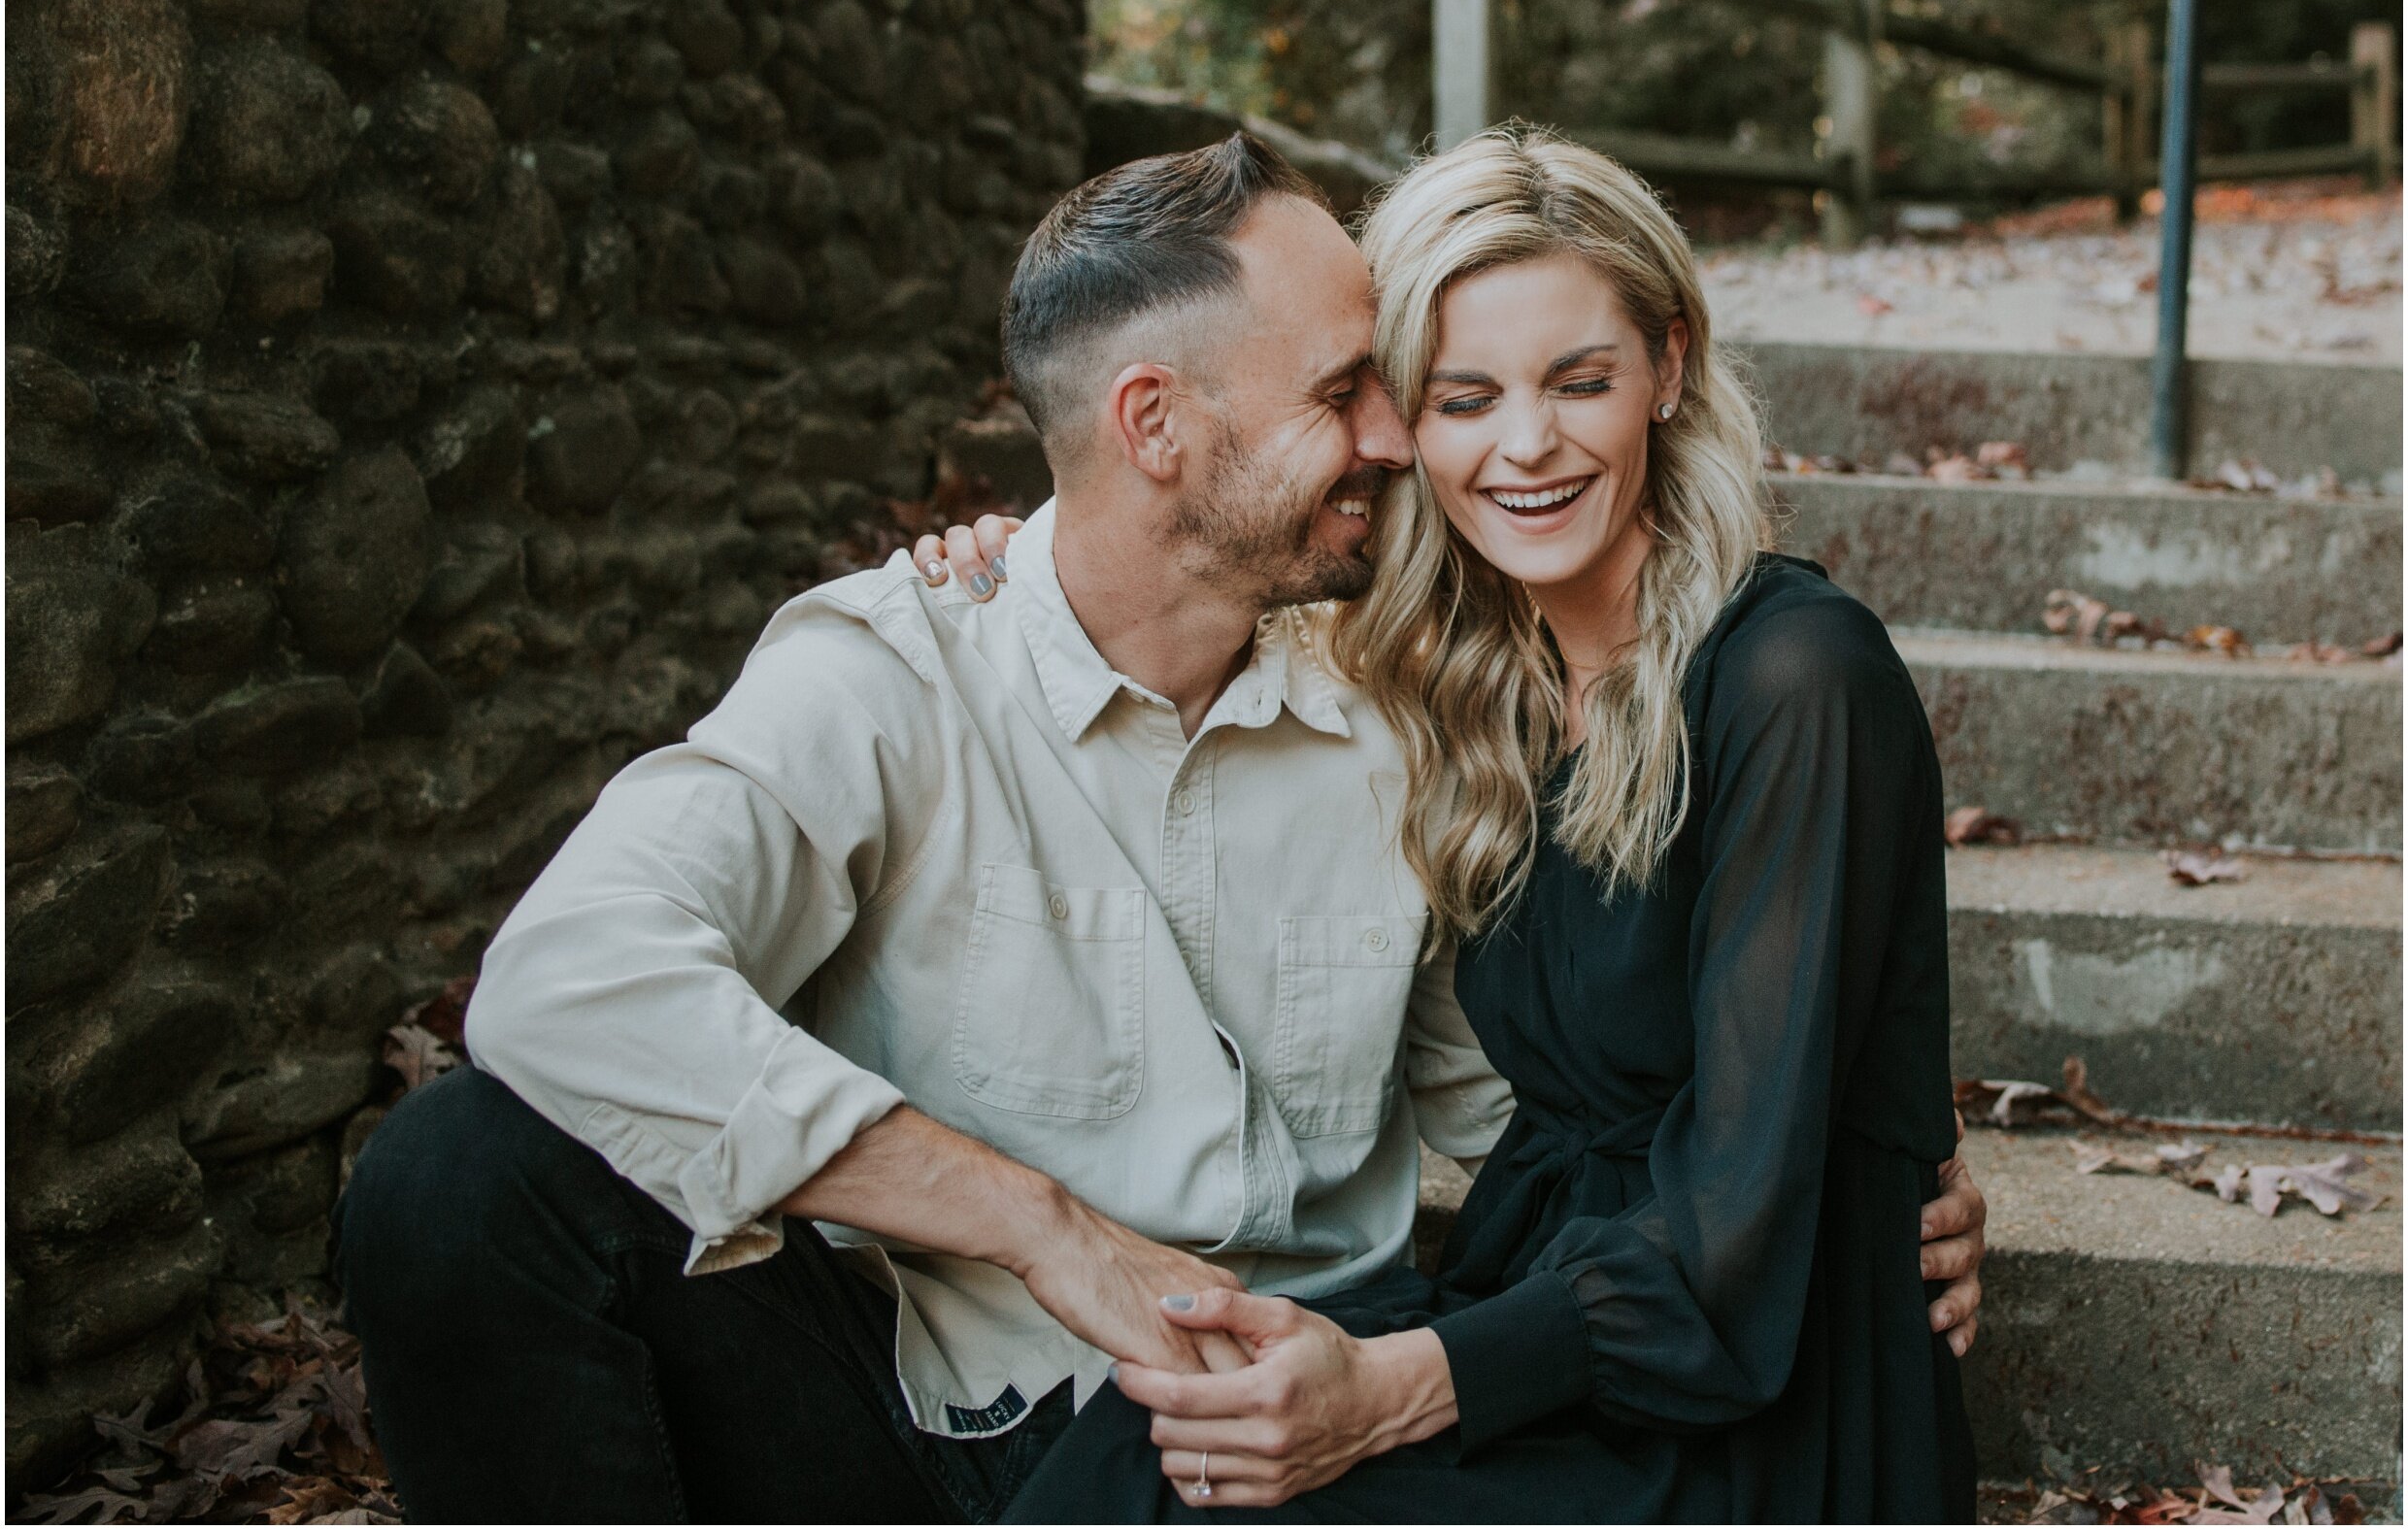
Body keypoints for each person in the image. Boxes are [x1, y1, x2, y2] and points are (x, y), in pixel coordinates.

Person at [333, 133, 1985, 1523]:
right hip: (915, 1396)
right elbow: (559, 981)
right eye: (1366, 390)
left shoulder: (1410, 702)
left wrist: (1834, 1188)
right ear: (1154, 426)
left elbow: (1552, 1089)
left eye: (1412, 388)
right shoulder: (898, 672)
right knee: (456, 1176)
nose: (1408, 439)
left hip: (1265, 1412)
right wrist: (1043, 1229)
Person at [951, 127, 1977, 1522]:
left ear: (1668, 369)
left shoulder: (1799, 676)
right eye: (1464, 395)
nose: (1527, 444)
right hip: (1549, 1325)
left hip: (1752, 1398)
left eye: (1582, 380)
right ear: (1400, 422)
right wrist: (1012, 556)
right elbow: (1168, 526)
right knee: (1153, 1449)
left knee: (1174, 1476)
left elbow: (1748, 1218)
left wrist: (1397, 1385)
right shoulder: (1467, 673)